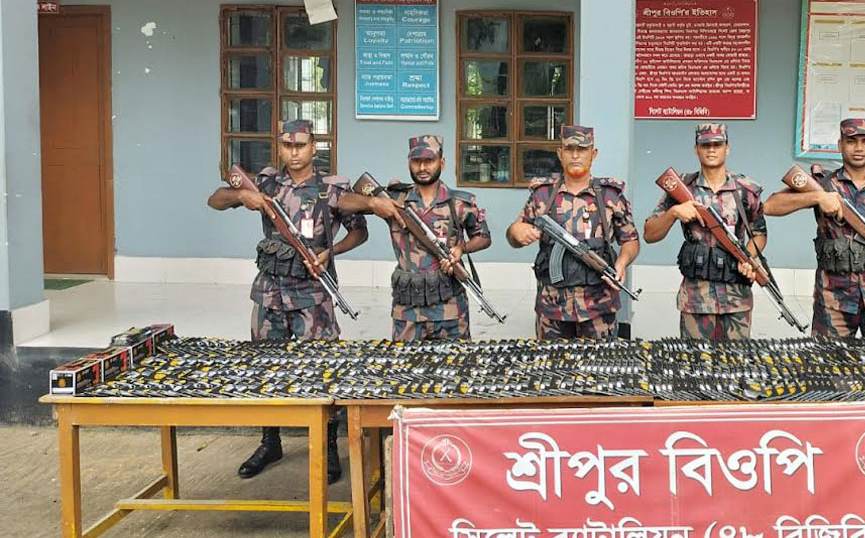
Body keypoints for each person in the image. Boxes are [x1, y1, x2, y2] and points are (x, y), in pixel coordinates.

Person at [207, 119, 368, 484]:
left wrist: (330, 251)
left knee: (321, 369)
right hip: (270, 291)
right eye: (287, 146)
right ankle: (270, 442)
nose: (294, 153)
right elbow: (215, 199)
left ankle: (327, 445)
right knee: (266, 368)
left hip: (313, 295)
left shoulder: (331, 189)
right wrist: (242, 196)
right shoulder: (266, 183)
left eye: (301, 145)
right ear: (280, 148)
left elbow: (360, 231)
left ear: (314, 147)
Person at [764, 117, 865, 340]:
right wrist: (817, 197)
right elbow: (770, 206)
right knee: (829, 360)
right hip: (833, 299)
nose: (859, 148)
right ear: (840, 145)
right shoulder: (823, 184)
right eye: (851, 141)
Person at [340, 134, 491, 341]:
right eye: (416, 161)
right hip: (407, 310)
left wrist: (461, 249)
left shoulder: (459, 203)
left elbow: (483, 237)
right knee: (404, 362)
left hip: (450, 310)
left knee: (456, 360)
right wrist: (373, 203)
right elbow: (342, 203)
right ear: (408, 163)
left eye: (429, 161)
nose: (422, 167)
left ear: (442, 163)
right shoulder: (394, 199)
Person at [506, 126, 639, 339]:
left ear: (593, 154)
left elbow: (631, 240)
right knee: (551, 361)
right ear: (560, 154)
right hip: (552, 307)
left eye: (582, 149)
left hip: (599, 306)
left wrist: (622, 263)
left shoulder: (610, 196)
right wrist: (516, 232)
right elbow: (514, 235)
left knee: (601, 361)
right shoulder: (542, 195)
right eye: (569, 149)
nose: (575, 155)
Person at [643, 123, 765, 340]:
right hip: (696, 299)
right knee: (694, 360)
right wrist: (673, 213)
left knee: (736, 360)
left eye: (717, 144)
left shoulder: (745, 190)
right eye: (705, 145)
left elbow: (759, 234)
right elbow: (650, 234)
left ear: (727, 148)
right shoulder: (682, 187)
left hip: (736, 299)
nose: (711, 149)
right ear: (696, 149)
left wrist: (747, 258)